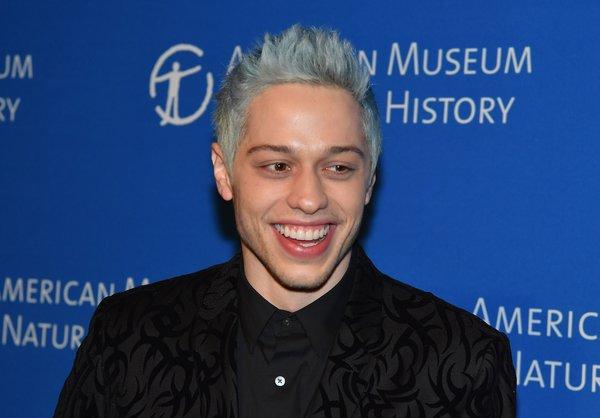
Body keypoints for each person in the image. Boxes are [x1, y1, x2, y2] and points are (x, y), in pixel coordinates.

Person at [54, 25, 516, 418]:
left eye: (338, 167)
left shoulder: (462, 362)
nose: (309, 199)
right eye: (277, 165)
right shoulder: (129, 335)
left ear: (369, 182)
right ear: (224, 172)